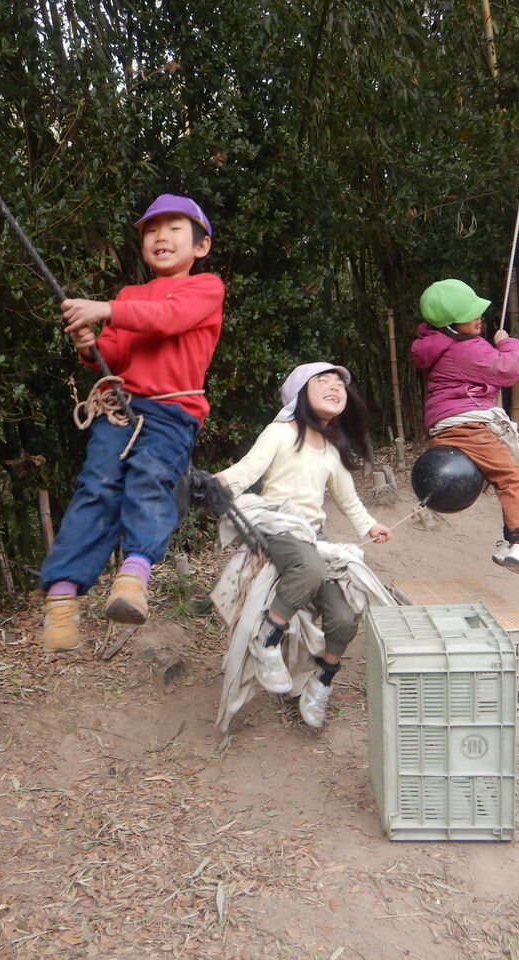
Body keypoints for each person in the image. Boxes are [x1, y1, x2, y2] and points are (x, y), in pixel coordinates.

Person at [39, 194, 224, 651]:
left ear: (200, 246)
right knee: (96, 488)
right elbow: (115, 356)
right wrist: (90, 345)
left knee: (148, 480)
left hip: (172, 413)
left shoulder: (205, 288)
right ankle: (62, 598)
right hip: (119, 409)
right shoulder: (128, 297)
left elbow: (170, 319)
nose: (161, 236)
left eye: (174, 228)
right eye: (151, 230)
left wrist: (104, 310)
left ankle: (133, 577)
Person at [214, 363, 391, 728]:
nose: (334, 388)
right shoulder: (279, 433)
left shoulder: (331, 448)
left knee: (344, 616)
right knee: (309, 569)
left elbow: (348, 499)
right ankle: (265, 641)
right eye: (322, 382)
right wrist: (215, 483)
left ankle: (321, 681)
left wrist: (370, 525)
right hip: (276, 524)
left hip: (312, 536)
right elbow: (247, 471)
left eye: (339, 384)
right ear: (299, 395)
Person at [411, 278, 519, 585]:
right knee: (512, 478)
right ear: (451, 326)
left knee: (517, 476)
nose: (478, 317)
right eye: (469, 314)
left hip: (455, 424)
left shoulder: (443, 344)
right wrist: (507, 343)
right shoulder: (465, 349)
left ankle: (514, 544)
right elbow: (509, 369)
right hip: (465, 425)